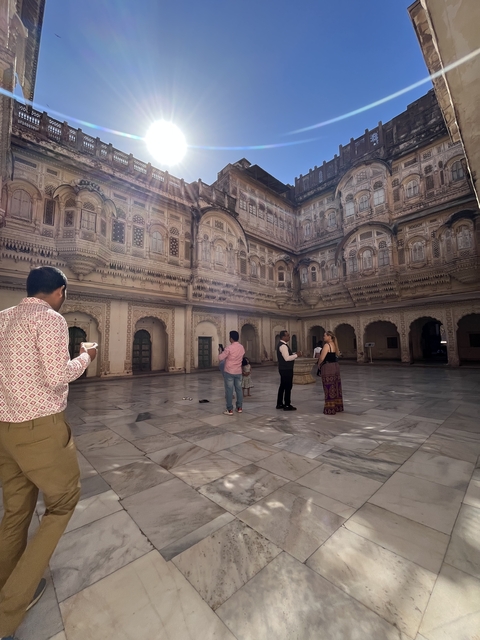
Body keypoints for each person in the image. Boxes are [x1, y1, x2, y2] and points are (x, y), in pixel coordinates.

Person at [0, 266, 97, 639]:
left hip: (6, 431)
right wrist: (85, 356)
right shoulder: (51, 319)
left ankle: (5, 583)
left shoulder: (4, 318)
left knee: (15, 512)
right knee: (62, 503)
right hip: (40, 429)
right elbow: (57, 376)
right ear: (59, 292)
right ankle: (10, 605)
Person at [317, 330, 344, 415]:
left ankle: (330, 408)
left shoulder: (327, 345)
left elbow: (322, 358)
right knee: (336, 386)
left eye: (325, 336)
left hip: (328, 367)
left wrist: (319, 365)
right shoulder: (335, 344)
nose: (323, 337)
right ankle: (337, 406)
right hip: (335, 366)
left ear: (329, 336)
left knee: (328, 386)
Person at [218, 330, 245, 415]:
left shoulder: (229, 348)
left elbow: (220, 358)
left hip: (229, 371)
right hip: (238, 371)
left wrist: (220, 351)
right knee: (239, 390)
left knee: (229, 390)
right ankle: (239, 407)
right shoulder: (241, 347)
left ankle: (229, 409)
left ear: (231, 338)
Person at [276, 330, 298, 411]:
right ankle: (287, 404)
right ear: (283, 337)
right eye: (287, 335)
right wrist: (296, 355)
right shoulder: (283, 346)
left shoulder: (282, 345)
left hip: (283, 368)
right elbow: (287, 358)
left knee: (283, 386)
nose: (289, 337)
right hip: (286, 369)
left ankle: (280, 403)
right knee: (288, 386)